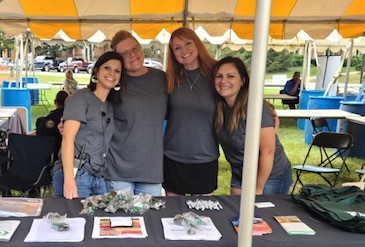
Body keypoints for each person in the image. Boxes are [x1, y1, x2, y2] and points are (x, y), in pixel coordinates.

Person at [214, 56, 292, 195]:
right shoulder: (220, 108)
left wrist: (258, 188)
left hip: (269, 176)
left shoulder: (256, 108)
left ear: (243, 81)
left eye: (230, 76)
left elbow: (268, 151)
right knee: (236, 213)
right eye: (219, 76)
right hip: (241, 173)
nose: (223, 81)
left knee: (261, 216)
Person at [53, 52, 124, 199]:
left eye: (117, 71)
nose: (112, 73)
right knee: (77, 220)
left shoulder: (109, 106)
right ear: (97, 71)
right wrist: (69, 180)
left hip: (99, 176)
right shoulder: (80, 97)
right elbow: (67, 138)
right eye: (107, 68)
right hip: (77, 173)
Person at [105, 30, 168, 197]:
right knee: (120, 221)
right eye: (124, 53)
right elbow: (92, 103)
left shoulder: (162, 79)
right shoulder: (113, 80)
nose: (132, 55)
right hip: (118, 167)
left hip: (151, 168)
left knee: (150, 219)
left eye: (135, 49)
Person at [163, 27, 219, 196]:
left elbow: (242, 92)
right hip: (173, 157)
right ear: (173, 53)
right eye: (177, 48)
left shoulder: (216, 73)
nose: (184, 51)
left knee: (202, 219)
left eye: (188, 43)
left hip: (205, 157)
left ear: (197, 44)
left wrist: (267, 109)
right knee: (172, 215)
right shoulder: (171, 78)